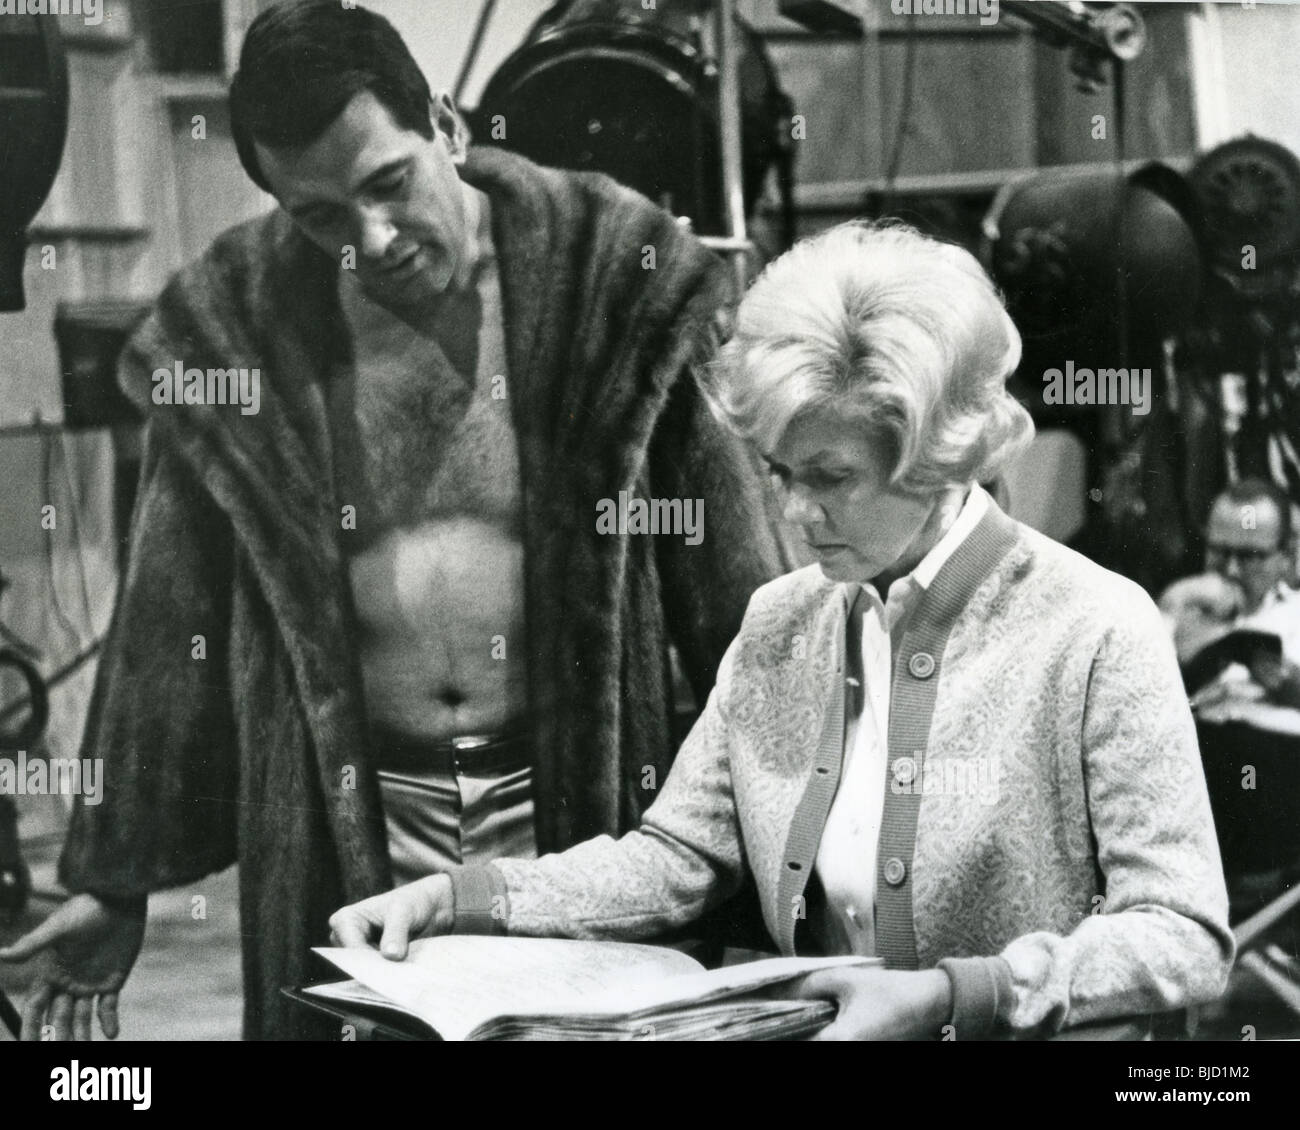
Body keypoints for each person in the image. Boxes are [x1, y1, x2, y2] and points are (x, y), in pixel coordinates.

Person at [0, 2, 780, 1040]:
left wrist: (793, 841)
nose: (371, 240)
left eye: (388, 183)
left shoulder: (611, 278)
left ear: (447, 126)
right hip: (345, 817)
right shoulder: (237, 333)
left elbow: (741, 600)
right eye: (320, 215)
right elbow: (163, 628)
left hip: (579, 818)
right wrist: (116, 876)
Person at [330, 221, 1235, 1039]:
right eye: (777, 471)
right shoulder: (783, 621)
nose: (795, 513)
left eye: (830, 476)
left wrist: (966, 994)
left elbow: (1183, 934)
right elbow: (677, 856)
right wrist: (467, 898)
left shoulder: (1095, 627)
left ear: (936, 453)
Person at [1160, 478, 1300, 714]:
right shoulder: (1180, 609)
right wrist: (1174, 602)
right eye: (1220, 552)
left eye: (1250, 556)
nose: (1232, 570)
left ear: (1286, 556)